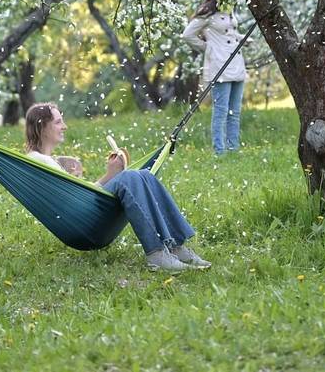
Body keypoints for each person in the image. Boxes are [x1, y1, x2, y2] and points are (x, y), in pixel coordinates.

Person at [24, 102, 211, 272]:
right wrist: (106, 177)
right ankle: (156, 253)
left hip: (85, 212)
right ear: (42, 126)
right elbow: (76, 198)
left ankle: (174, 246)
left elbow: (80, 193)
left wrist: (110, 174)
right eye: (58, 122)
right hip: (83, 222)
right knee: (129, 177)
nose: (64, 126)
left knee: (144, 174)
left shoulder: (48, 160)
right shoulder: (37, 160)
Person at [182, 0, 247, 155]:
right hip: (220, 65)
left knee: (235, 111)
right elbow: (187, 35)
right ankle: (220, 151)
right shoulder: (207, 14)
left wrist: (241, 39)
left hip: (236, 63)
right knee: (221, 111)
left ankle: (233, 148)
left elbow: (229, 33)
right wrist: (208, 48)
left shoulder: (230, 12)